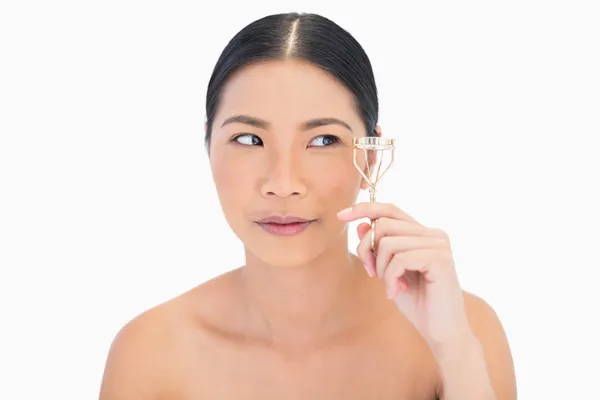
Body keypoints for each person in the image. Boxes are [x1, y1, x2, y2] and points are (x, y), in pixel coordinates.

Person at [99, 12, 517, 399]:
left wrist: (454, 353)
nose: (283, 184)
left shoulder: (463, 332)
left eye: (322, 141)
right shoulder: (148, 354)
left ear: (370, 156)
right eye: (248, 139)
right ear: (208, 145)